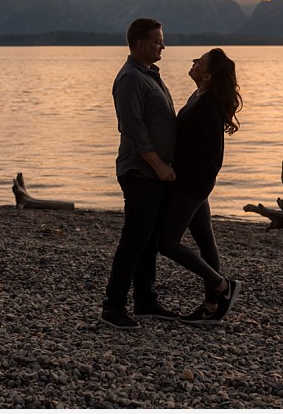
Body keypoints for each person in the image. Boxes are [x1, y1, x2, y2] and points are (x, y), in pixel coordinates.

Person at [101, 18, 179, 330]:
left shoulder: (149, 75)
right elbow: (132, 129)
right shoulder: (131, 78)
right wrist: (159, 165)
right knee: (134, 239)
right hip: (138, 171)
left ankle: (145, 300)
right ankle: (113, 306)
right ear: (141, 44)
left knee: (147, 239)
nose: (163, 46)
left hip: (152, 173)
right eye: (158, 40)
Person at [159, 48, 243, 326]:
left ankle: (222, 286)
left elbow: (212, 154)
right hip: (193, 185)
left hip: (190, 186)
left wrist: (180, 178)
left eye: (200, 61)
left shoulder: (207, 105)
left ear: (207, 75)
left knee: (167, 243)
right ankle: (211, 307)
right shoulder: (200, 96)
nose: (193, 62)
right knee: (206, 241)